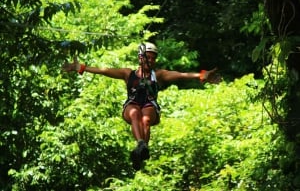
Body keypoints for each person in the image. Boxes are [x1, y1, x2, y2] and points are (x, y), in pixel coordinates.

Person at [62, 42, 221, 170]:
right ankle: (141, 145)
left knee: (145, 118)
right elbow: (104, 71)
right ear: (140, 58)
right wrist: (80, 67)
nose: (150, 61)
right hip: (131, 105)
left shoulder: (158, 75)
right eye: (147, 58)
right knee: (134, 114)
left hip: (149, 105)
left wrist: (200, 75)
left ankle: (141, 149)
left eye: (153, 59)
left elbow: (180, 75)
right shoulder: (127, 73)